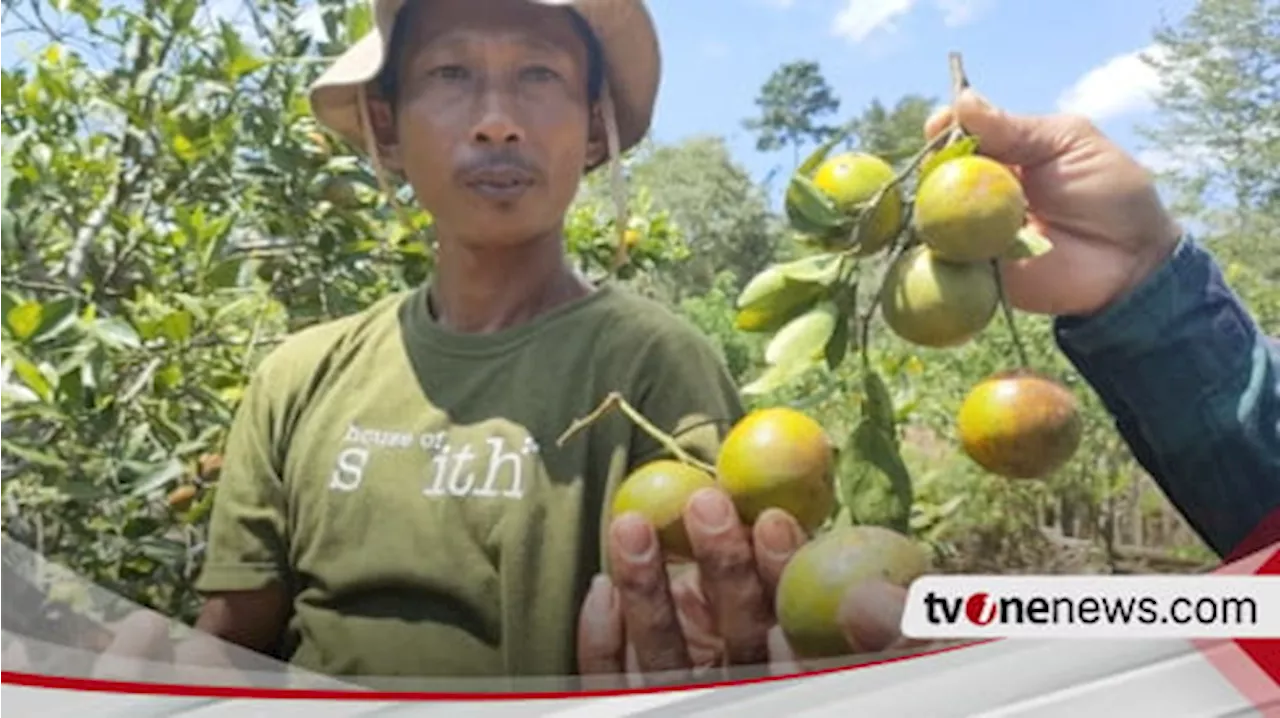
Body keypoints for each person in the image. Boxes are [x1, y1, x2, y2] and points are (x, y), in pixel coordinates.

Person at [91, 0, 1280, 689]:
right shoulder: (298, 375)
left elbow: (728, 616)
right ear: (390, 132)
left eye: (539, 77)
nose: (496, 113)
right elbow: (233, 643)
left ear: (595, 130)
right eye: (451, 74)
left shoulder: (654, 363)